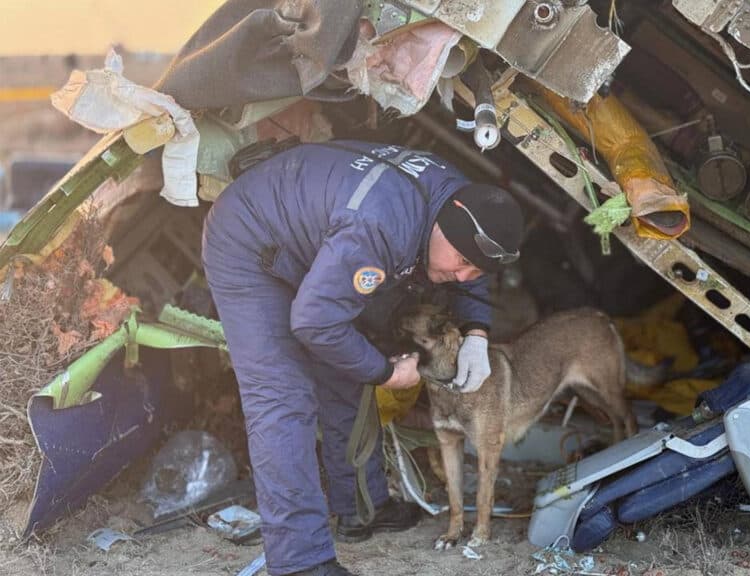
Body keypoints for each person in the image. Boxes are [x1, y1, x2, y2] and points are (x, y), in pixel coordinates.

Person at [201, 140, 524, 576]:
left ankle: (359, 509)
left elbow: (471, 268)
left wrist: (477, 333)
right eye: (461, 261)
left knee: (343, 371)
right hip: (250, 241)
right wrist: (386, 372)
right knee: (282, 397)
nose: (463, 276)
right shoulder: (381, 227)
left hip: (314, 237)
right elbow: (314, 322)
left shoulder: (459, 200)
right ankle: (301, 562)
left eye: (476, 270)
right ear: (442, 229)